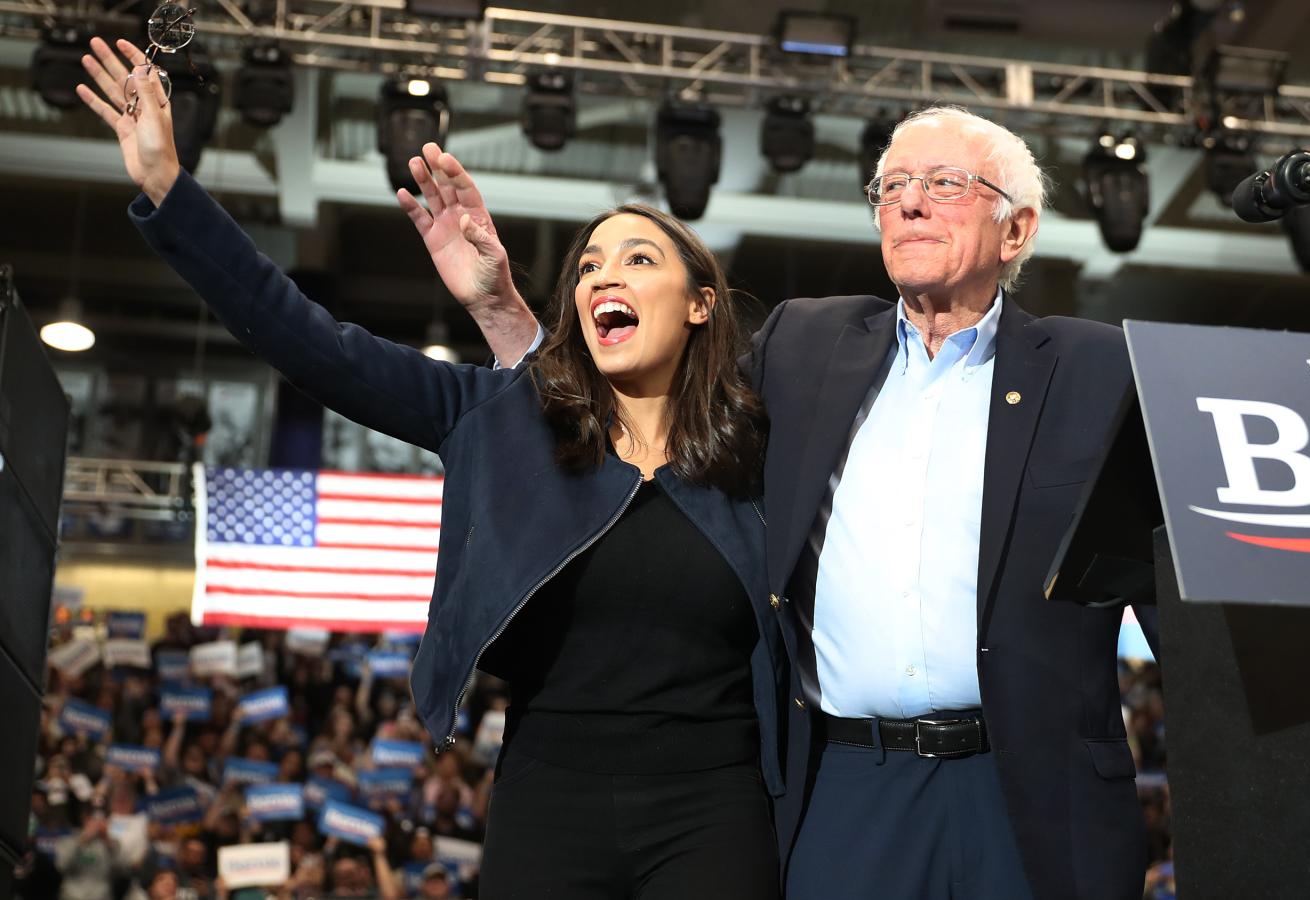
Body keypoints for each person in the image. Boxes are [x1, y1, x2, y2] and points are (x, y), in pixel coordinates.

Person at [76, 36, 784, 900]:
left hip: (715, 806)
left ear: (701, 303)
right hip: (548, 804)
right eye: (589, 264)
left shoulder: (758, 447)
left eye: (640, 258)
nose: (605, 274)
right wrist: (168, 193)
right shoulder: (501, 423)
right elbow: (309, 341)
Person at [454, 105, 1156, 898]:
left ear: (1017, 230)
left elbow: (1181, 604)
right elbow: (653, 412)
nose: (910, 202)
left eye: (944, 183)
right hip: (849, 788)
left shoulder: (1103, 371)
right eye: (891, 187)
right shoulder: (801, 345)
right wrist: (503, 316)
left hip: (1034, 790)